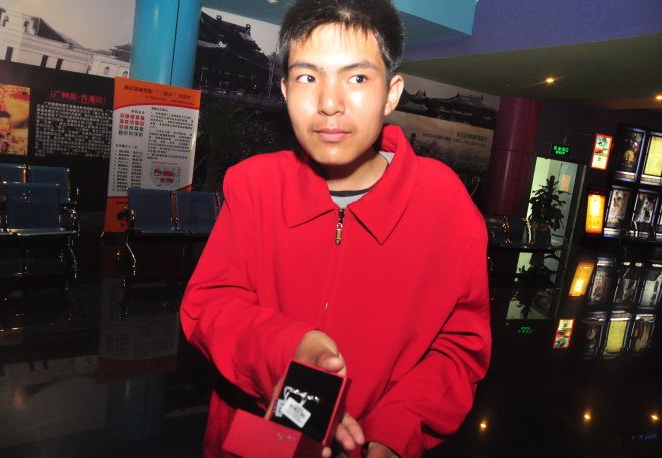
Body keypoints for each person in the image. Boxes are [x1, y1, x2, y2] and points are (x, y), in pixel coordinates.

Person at [180, 0, 491, 456]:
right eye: (308, 77)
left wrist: (394, 432)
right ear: (284, 89)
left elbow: (459, 347)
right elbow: (210, 305)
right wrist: (290, 348)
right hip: (257, 439)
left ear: (391, 93)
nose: (329, 103)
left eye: (357, 78)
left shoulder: (445, 204)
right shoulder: (254, 184)